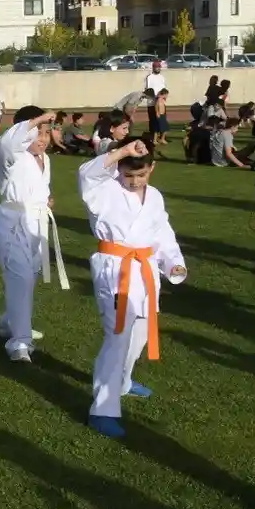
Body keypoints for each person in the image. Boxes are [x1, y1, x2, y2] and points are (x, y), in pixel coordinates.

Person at [78, 137, 186, 438]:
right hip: (115, 270)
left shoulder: (155, 197)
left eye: (141, 174)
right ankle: (102, 409)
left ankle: (123, 381)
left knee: (139, 334)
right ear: (119, 169)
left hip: (145, 270)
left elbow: (163, 233)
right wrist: (123, 151)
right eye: (128, 175)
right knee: (118, 337)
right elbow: (86, 173)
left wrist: (173, 263)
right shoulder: (103, 190)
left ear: (152, 168)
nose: (134, 181)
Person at [0, 107, 67, 362]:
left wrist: (46, 200)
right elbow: (7, 142)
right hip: (13, 222)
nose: (43, 139)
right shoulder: (11, 155)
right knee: (21, 277)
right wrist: (35, 120)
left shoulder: (45, 159)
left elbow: (37, 187)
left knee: (31, 275)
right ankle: (19, 343)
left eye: (46, 133)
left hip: (37, 222)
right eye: (37, 133)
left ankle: (10, 321)